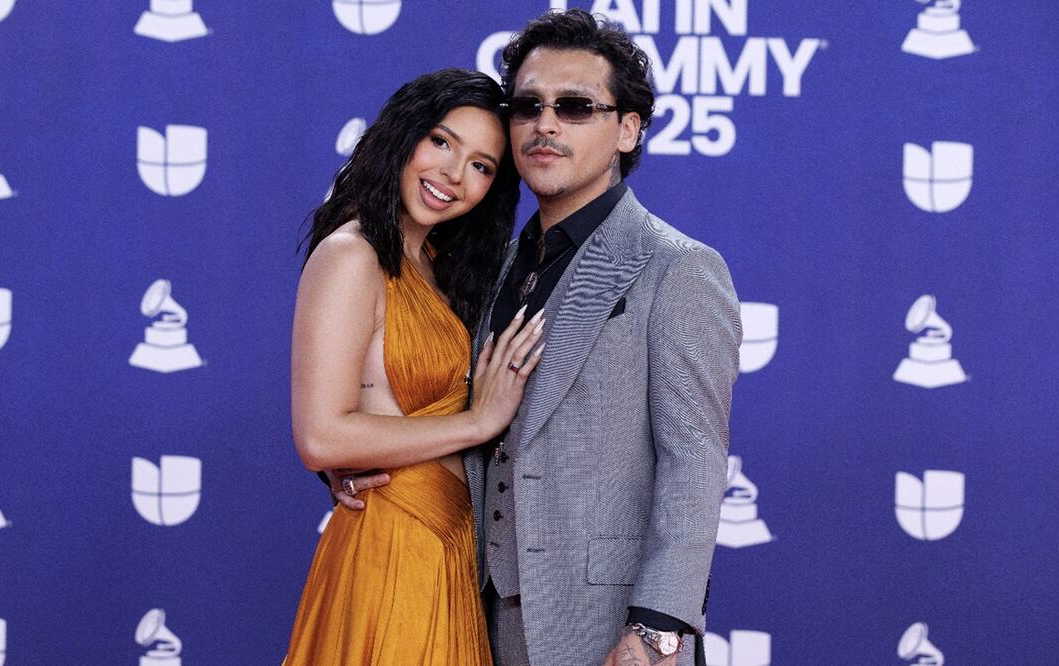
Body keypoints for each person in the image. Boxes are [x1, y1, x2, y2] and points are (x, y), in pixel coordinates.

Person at [335, 10, 742, 666]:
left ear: (626, 129)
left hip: (609, 629)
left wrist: (658, 627)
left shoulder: (678, 268)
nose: (546, 123)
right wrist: (360, 466)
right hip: (468, 612)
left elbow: (694, 462)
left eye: (576, 106)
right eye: (529, 105)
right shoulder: (482, 266)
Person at [285, 68, 545, 665]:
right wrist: (479, 422)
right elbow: (320, 435)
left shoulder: (431, 263)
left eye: (482, 166)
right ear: (404, 135)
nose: (453, 175)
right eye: (442, 141)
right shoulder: (353, 254)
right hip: (392, 546)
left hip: (449, 547)